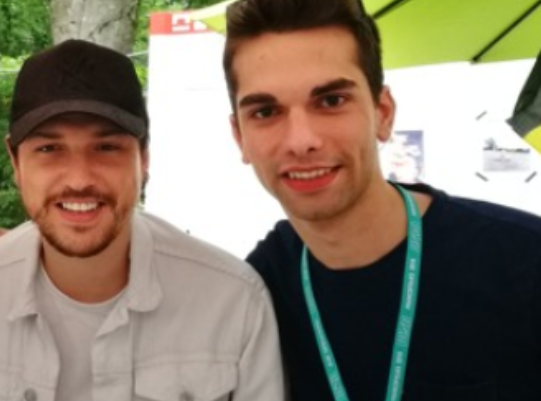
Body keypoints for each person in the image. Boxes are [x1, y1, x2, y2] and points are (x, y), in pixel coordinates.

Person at [0, 39, 284, 400]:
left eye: (107, 147)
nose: (79, 179)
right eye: (49, 149)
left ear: (144, 158)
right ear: (15, 162)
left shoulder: (232, 301)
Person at [223, 0, 541, 399]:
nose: (301, 141)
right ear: (240, 137)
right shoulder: (253, 295)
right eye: (266, 111)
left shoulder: (524, 264)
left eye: (331, 101)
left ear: (383, 113)